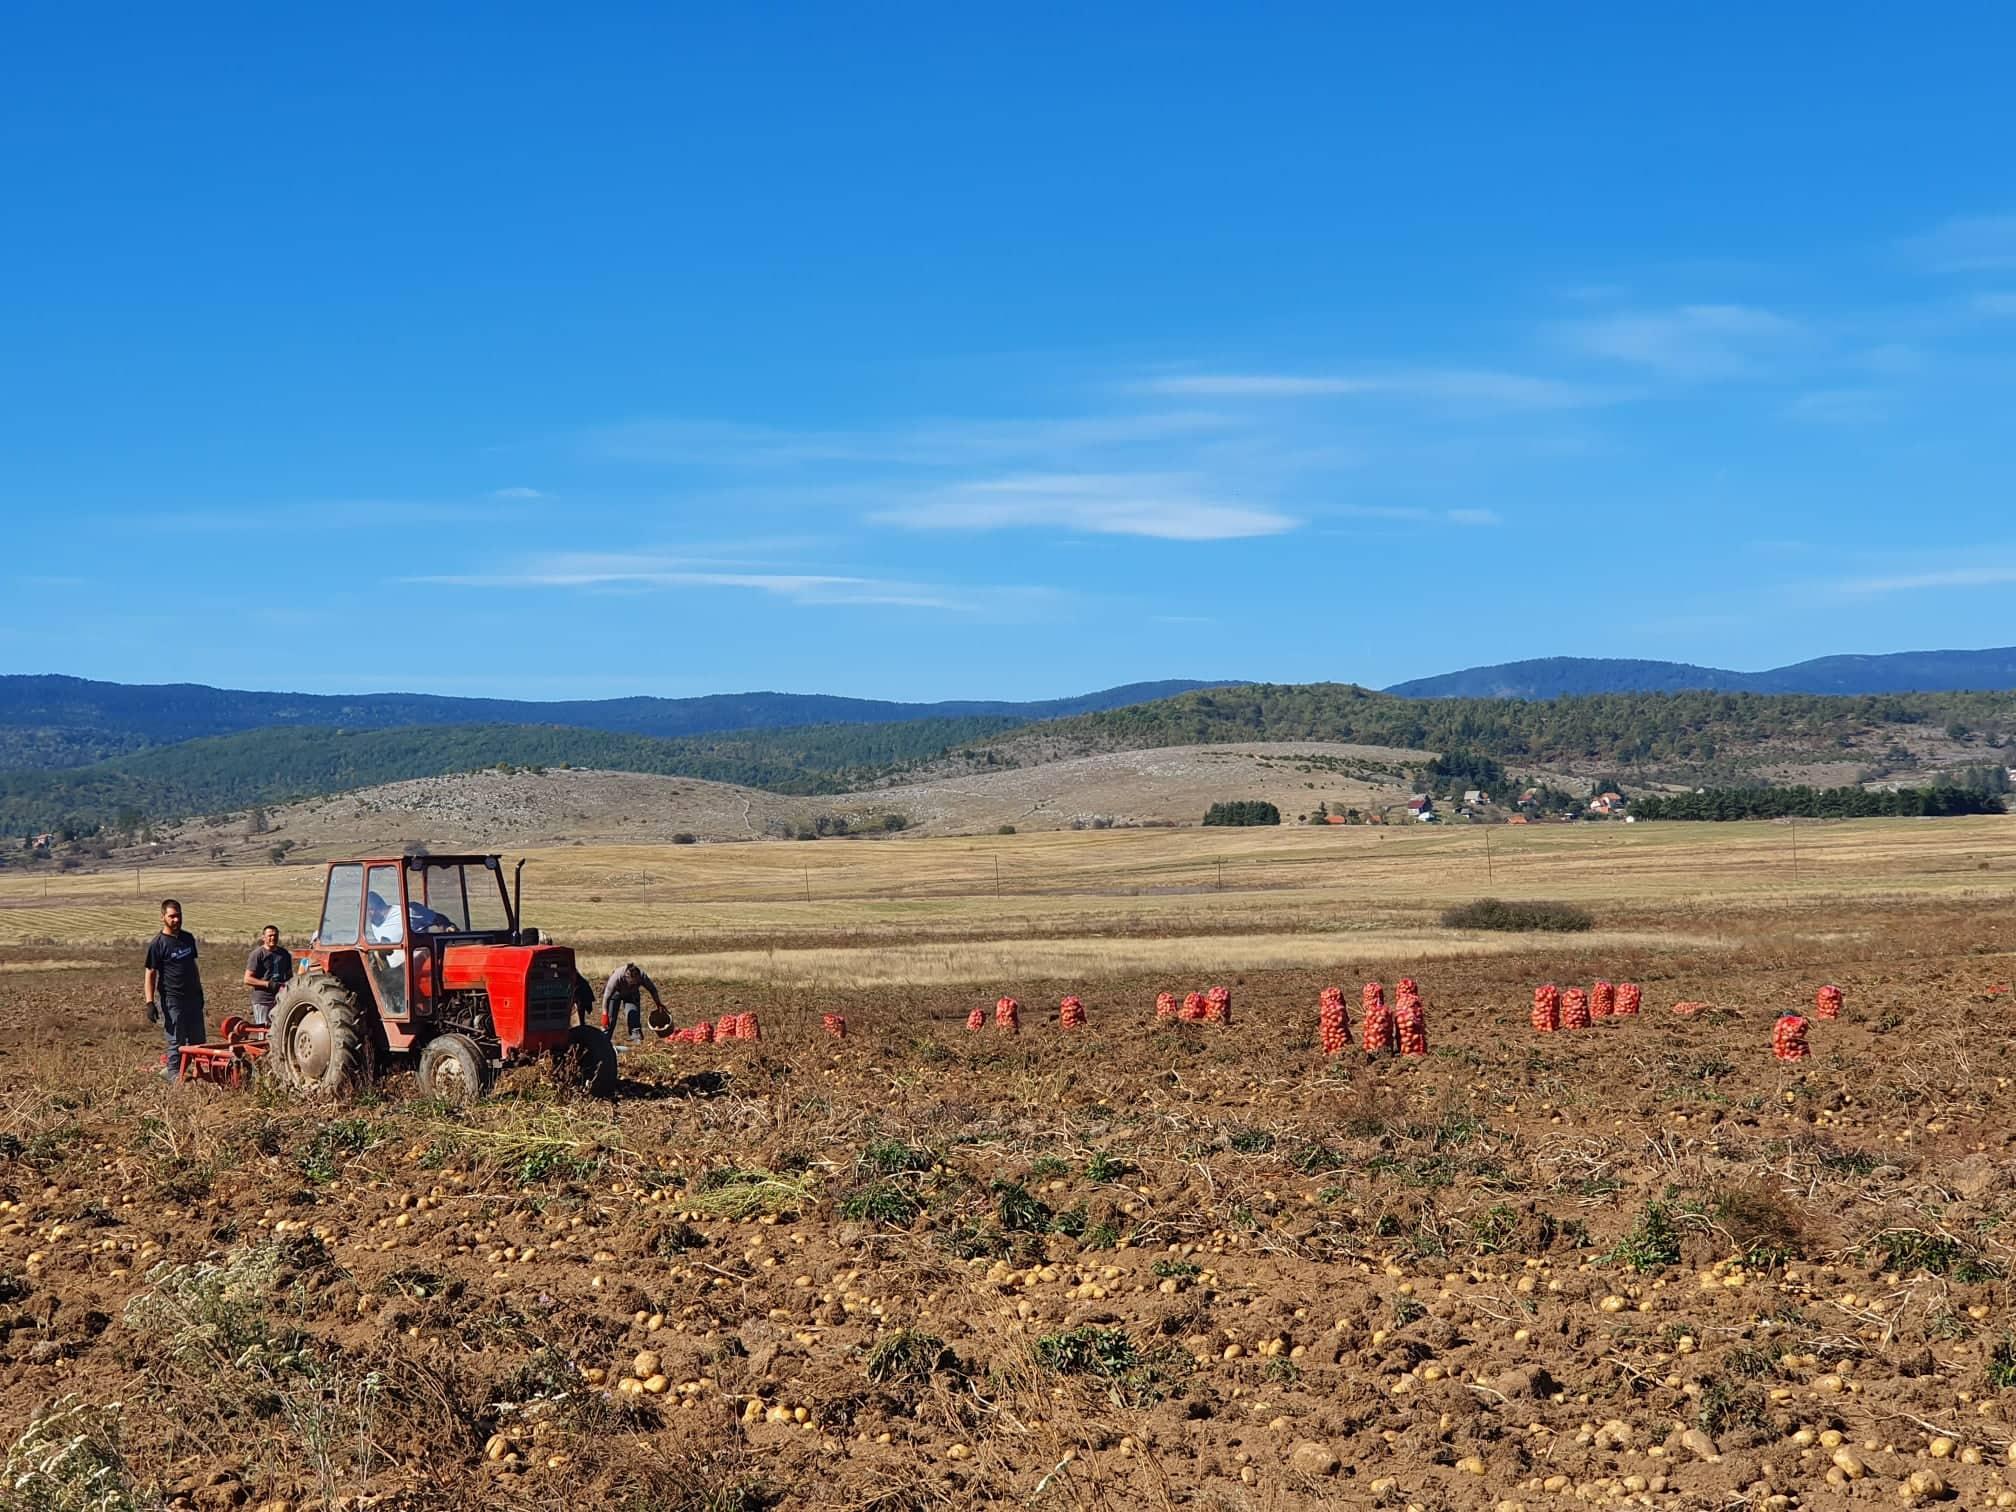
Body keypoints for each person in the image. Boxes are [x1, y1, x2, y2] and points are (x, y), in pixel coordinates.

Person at [143, 898, 205, 1078]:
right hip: (173, 999)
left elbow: (193, 966)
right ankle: (174, 1078)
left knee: (198, 1040)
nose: (176, 920)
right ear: (163, 917)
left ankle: (199, 1076)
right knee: (176, 1040)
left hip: (192, 997)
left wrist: (199, 991)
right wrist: (149, 1002)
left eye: (179, 916)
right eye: (172, 917)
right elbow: (150, 973)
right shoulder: (158, 944)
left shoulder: (187, 938)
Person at [600, 963, 667, 1043]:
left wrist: (658, 1003)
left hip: (632, 994)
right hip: (615, 993)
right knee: (610, 1019)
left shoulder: (642, 976)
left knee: (633, 1016)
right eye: (632, 982)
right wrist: (605, 1014)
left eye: (636, 982)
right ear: (626, 977)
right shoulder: (616, 977)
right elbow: (606, 997)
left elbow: (652, 989)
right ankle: (604, 1040)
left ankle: (636, 1040)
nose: (634, 984)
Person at [242, 924, 292, 1028]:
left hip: (281, 999)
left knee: (279, 1030)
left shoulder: (284, 954)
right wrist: (268, 984)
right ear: (263, 937)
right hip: (263, 1000)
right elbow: (247, 979)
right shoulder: (257, 954)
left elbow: (289, 976)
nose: (273, 938)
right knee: (263, 1031)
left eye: (275, 935)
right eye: (270, 935)